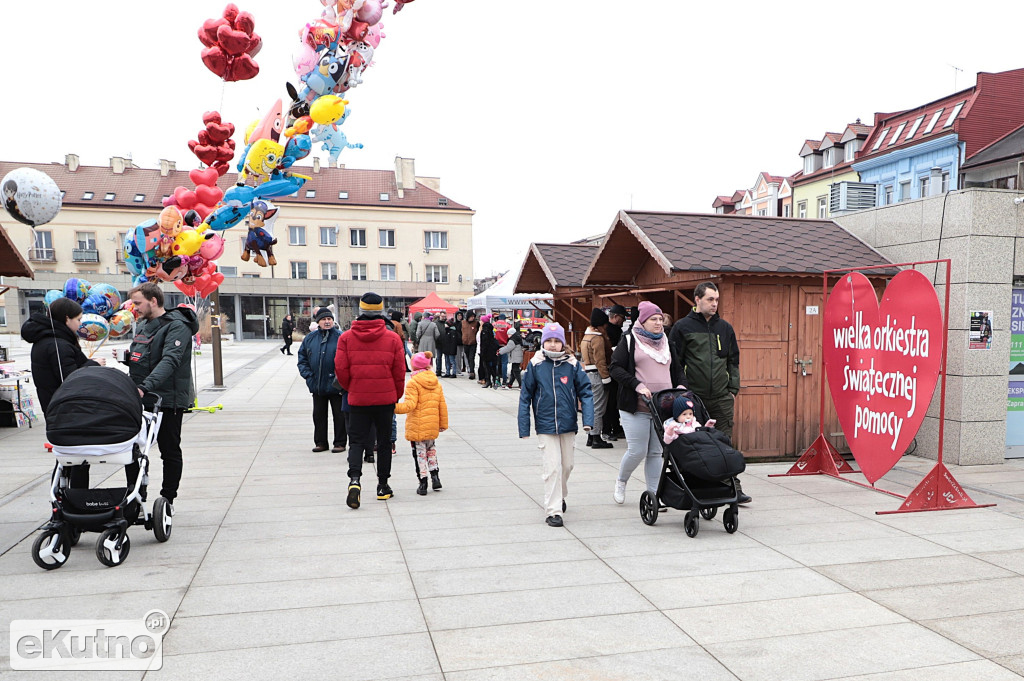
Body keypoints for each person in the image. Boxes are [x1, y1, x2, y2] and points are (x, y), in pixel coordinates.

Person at [668, 281, 750, 503]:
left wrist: (733, 389)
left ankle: (732, 487)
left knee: (724, 442)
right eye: (710, 300)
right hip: (695, 398)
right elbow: (676, 363)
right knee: (696, 443)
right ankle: (697, 486)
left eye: (716, 300)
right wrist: (685, 393)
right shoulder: (682, 327)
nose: (714, 304)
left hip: (722, 396)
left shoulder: (725, 328)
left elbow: (733, 361)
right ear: (697, 300)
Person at [124, 282, 199, 512]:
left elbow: (170, 360)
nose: (134, 308)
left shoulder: (177, 326)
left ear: (153, 301)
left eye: (138, 303)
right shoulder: (145, 325)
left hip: (167, 399)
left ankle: (168, 499)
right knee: (132, 449)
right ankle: (135, 494)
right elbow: (146, 357)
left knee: (169, 449)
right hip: (141, 397)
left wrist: (145, 387)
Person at [21, 298, 106, 488]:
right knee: (77, 461)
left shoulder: (50, 339)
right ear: (67, 319)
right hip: (66, 410)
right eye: (78, 319)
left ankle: (65, 499)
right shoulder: (57, 343)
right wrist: (93, 365)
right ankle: (75, 501)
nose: (80, 324)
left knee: (67, 461)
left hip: (56, 407)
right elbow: (68, 380)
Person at [608, 301, 685, 505]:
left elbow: (677, 371)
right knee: (637, 450)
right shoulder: (630, 339)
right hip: (636, 407)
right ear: (643, 321)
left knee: (656, 452)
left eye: (660, 319)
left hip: (663, 407)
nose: (658, 323)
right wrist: (637, 385)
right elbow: (615, 368)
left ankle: (654, 494)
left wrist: (682, 388)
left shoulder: (667, 341)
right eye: (654, 319)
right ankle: (621, 481)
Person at [518, 323, 594, 527]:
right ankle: (553, 510)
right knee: (552, 467)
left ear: (563, 343)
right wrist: (524, 426)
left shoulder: (572, 364)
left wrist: (588, 420)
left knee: (567, 465)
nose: (552, 345)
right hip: (545, 424)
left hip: (568, 423)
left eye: (556, 341)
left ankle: (560, 495)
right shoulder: (535, 365)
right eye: (549, 341)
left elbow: (585, 392)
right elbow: (525, 397)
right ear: (543, 342)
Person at [336, 292, 406, 509]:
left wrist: (352, 388)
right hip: (385, 399)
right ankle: (383, 486)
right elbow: (399, 371)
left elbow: (340, 369)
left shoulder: (346, 338)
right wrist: (395, 394)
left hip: (357, 399)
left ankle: (354, 480)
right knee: (384, 442)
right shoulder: (393, 337)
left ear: (361, 310)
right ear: (381, 312)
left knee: (356, 441)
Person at [395, 351, 449, 495]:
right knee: (431, 450)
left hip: (417, 426)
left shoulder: (413, 383)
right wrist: (443, 423)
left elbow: (409, 405)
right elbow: (441, 405)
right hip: (431, 424)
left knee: (420, 453)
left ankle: (423, 482)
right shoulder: (435, 382)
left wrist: (392, 407)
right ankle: (435, 477)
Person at [297, 308, 346, 453]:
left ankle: (340, 442)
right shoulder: (310, 338)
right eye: (324, 319)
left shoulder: (341, 337)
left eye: (329, 319)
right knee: (318, 415)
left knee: (340, 416)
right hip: (317, 385)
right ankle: (321, 442)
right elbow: (302, 359)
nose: (327, 322)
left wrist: (342, 379)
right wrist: (309, 376)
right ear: (318, 322)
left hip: (337, 386)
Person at [580, 308, 613, 449]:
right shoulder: (597, 338)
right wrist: (606, 378)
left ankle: (590, 437)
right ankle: (596, 438)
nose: (606, 327)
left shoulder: (586, 337)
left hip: (588, 374)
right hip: (598, 375)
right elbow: (600, 361)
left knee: (591, 406)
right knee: (599, 408)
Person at [603, 304, 628, 442]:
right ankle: (611, 428)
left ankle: (615, 427)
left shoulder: (611, 330)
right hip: (611, 370)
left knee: (613, 402)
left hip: (613, 370)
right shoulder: (611, 331)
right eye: (622, 318)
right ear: (616, 317)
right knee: (611, 402)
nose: (623, 321)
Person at [498, 324, 525, 389]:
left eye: (509, 334)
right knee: (513, 371)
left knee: (515, 371)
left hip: (515, 357)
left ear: (512, 334)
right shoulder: (517, 338)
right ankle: (510, 383)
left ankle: (521, 384)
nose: (508, 335)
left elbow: (508, 348)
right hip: (518, 356)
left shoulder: (512, 340)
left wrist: (500, 351)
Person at [478, 314, 500, 389]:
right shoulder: (491, 330)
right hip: (492, 352)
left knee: (487, 367)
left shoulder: (484, 331)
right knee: (493, 367)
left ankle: (488, 381)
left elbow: (484, 343)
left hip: (486, 352)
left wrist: (482, 353)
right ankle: (494, 381)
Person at [493, 314, 513, 386]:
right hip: (504, 346)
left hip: (495, 346)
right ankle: (504, 380)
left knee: (496, 363)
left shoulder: (493, 325)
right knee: (504, 363)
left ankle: (497, 379)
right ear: (504, 319)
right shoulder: (507, 325)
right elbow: (511, 336)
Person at [462, 311, 480, 380]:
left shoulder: (476, 323)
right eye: (471, 317)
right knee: (467, 357)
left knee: (471, 357)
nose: (472, 318)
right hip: (465, 342)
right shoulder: (463, 323)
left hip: (473, 343)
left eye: (473, 317)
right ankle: (469, 369)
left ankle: (472, 372)